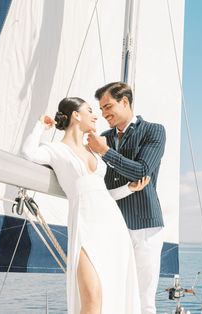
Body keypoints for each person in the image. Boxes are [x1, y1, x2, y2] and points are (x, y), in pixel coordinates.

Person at [22, 97, 150, 314]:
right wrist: (40, 126)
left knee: (114, 292)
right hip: (84, 224)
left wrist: (129, 188)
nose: (96, 115)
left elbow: (102, 194)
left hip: (113, 226)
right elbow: (28, 153)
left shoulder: (93, 151)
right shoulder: (56, 150)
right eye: (90, 110)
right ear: (76, 115)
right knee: (91, 297)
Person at [87, 82, 166, 314]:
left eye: (107, 106)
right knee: (113, 294)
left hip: (146, 226)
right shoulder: (103, 137)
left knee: (145, 302)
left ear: (125, 102)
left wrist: (105, 152)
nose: (103, 114)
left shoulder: (154, 130)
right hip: (112, 225)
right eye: (100, 109)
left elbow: (142, 171)